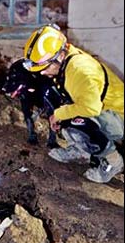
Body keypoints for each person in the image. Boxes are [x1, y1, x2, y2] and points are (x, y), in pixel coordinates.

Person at [22, 23, 124, 183]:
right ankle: (81, 151)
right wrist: (60, 112)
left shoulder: (80, 70)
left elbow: (91, 108)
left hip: (117, 117)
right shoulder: (66, 60)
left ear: (60, 56)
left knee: (79, 120)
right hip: (101, 108)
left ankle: (113, 161)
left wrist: (59, 114)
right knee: (61, 105)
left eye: (45, 67)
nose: (42, 72)